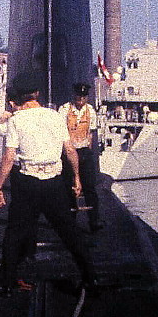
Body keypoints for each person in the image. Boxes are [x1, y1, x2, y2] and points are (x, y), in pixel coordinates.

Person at [0, 77, 96, 295]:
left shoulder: (16, 121)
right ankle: (90, 278)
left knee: (15, 233)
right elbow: (69, 150)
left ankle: (7, 283)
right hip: (54, 183)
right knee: (69, 231)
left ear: (18, 97)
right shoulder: (56, 116)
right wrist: (77, 178)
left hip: (28, 182)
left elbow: (9, 157)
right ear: (37, 94)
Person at [59, 82, 103, 231]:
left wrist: (88, 154)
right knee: (67, 187)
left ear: (86, 97)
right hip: (68, 152)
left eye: (83, 97)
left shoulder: (90, 111)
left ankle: (94, 220)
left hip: (84, 151)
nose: (80, 99)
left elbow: (90, 134)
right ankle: (69, 220)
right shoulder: (64, 109)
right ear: (74, 95)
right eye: (78, 96)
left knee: (89, 186)